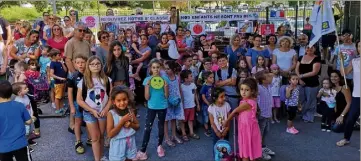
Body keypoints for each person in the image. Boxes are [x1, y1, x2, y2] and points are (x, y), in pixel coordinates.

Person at [76, 56, 113, 161]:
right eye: (92, 64)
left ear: (101, 65)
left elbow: (111, 97)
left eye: (97, 63)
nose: (95, 66)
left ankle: (101, 157)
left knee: (101, 136)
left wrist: (106, 109)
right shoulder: (84, 81)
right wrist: (92, 110)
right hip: (89, 113)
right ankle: (97, 159)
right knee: (95, 138)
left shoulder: (107, 80)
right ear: (88, 66)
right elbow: (79, 100)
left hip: (103, 112)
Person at [136, 59, 169, 160]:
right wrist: (147, 86)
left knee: (161, 127)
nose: (156, 69)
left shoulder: (164, 79)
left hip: (162, 106)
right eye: (153, 67)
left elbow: (167, 96)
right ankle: (143, 150)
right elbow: (147, 98)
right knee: (147, 128)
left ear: (161, 68)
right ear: (150, 69)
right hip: (151, 107)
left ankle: (159, 146)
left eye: (158, 67)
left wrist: (166, 86)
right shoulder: (147, 80)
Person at [223, 78, 262, 161]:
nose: (243, 92)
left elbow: (234, 111)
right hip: (246, 128)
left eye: (247, 90)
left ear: (252, 91)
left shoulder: (247, 103)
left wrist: (227, 121)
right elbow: (241, 114)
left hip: (248, 130)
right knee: (249, 150)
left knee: (246, 152)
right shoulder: (246, 100)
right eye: (242, 89)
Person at [0, 80, 33, 161]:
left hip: (3, 147)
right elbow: (29, 121)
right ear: (11, 92)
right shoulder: (19, 105)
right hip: (20, 144)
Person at [336, 41, 360, 147]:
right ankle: (346, 138)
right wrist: (341, 60)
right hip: (357, 94)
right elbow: (343, 73)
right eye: (359, 46)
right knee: (351, 118)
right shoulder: (354, 61)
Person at [107, 87, 139, 161]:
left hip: (130, 142)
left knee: (130, 159)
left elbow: (137, 126)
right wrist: (121, 122)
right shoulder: (111, 114)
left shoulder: (130, 111)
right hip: (117, 145)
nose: (122, 103)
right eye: (118, 100)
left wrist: (131, 124)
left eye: (124, 99)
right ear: (113, 101)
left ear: (128, 99)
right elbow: (110, 134)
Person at [67, 55, 88, 154]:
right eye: (78, 62)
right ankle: (78, 141)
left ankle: (90, 138)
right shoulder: (72, 76)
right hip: (77, 102)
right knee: (78, 121)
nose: (80, 64)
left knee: (89, 121)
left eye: (82, 62)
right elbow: (70, 93)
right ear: (75, 64)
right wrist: (71, 106)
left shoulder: (90, 75)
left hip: (89, 102)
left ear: (86, 63)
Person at [295, 44, 321, 123]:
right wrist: (299, 79)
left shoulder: (317, 58)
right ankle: (303, 113)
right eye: (307, 47)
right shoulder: (300, 57)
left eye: (311, 47)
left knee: (310, 100)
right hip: (300, 82)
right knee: (301, 99)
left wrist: (301, 76)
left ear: (315, 49)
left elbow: (314, 72)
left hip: (312, 83)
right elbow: (296, 69)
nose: (309, 49)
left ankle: (309, 117)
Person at [254, 70, 275, 160]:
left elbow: (272, 74)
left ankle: (263, 147)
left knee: (265, 132)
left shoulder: (268, 86)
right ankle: (258, 152)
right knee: (260, 134)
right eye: (268, 77)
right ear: (262, 80)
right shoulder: (259, 88)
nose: (271, 77)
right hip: (261, 115)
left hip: (267, 114)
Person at [163, 60, 184, 147]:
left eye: (168, 69)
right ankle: (167, 138)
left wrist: (181, 99)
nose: (166, 70)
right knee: (166, 120)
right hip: (167, 102)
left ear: (173, 69)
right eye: (165, 69)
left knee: (173, 118)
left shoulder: (177, 77)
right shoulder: (164, 78)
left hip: (176, 101)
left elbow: (179, 88)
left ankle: (174, 135)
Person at [13, 82, 37, 153]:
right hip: (24, 121)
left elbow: (29, 106)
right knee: (25, 133)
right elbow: (19, 113)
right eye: (25, 88)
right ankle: (26, 147)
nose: (27, 89)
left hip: (29, 117)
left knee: (29, 131)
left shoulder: (26, 96)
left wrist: (32, 114)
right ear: (20, 92)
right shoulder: (18, 101)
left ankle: (29, 140)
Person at [180, 70, 200, 141]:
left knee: (190, 120)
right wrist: (181, 107)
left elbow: (195, 95)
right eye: (191, 76)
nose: (192, 77)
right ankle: (184, 133)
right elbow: (181, 97)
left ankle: (191, 132)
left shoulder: (193, 85)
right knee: (183, 120)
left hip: (192, 106)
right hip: (185, 107)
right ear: (186, 79)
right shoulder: (181, 86)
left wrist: (197, 104)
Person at [49, 49, 67, 114]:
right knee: (58, 97)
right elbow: (51, 74)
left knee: (62, 96)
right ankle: (57, 109)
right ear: (54, 56)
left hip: (63, 82)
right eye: (59, 55)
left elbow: (65, 70)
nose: (60, 56)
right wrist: (60, 78)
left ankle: (61, 107)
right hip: (58, 83)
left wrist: (62, 63)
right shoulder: (52, 63)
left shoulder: (59, 62)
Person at [200, 71, 214, 137]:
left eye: (213, 77)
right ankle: (206, 130)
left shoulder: (213, 86)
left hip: (212, 105)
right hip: (206, 105)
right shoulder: (204, 87)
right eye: (210, 77)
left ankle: (213, 129)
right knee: (206, 117)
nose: (212, 79)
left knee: (212, 117)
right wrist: (208, 103)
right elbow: (203, 96)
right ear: (206, 79)